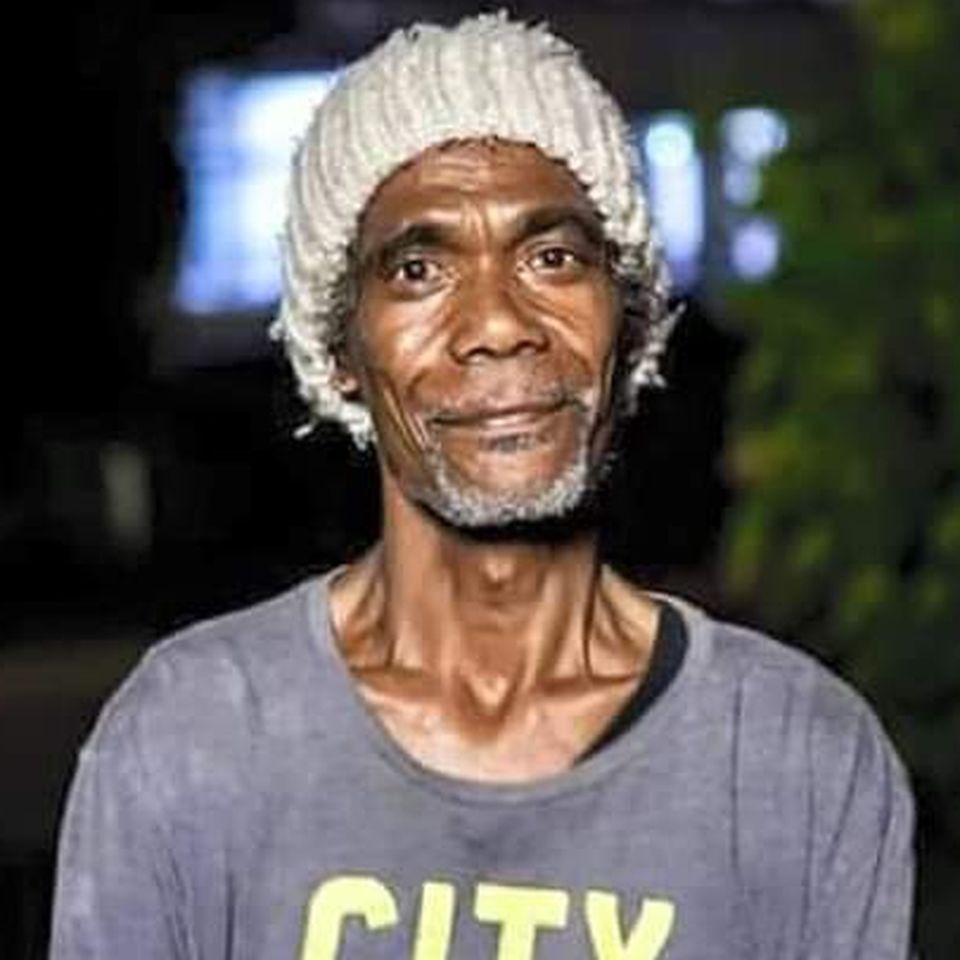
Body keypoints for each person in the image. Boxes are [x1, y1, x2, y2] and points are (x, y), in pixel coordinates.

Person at [51, 13, 914, 959]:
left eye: (552, 258)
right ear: (339, 351)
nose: (499, 324)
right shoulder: (192, 735)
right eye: (419, 270)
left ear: (627, 319)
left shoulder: (795, 758)